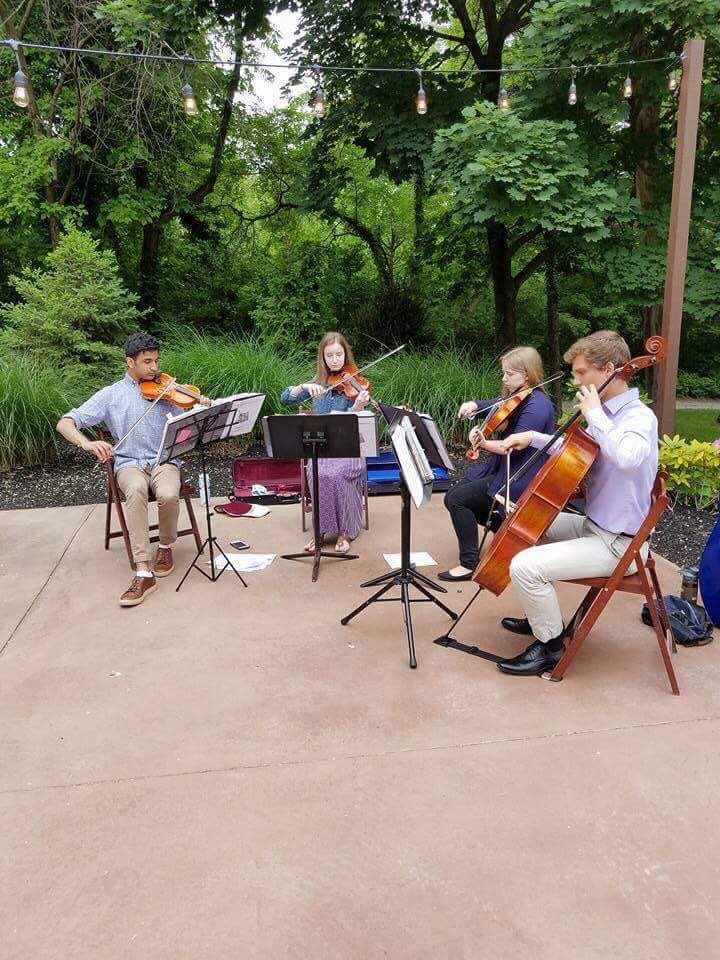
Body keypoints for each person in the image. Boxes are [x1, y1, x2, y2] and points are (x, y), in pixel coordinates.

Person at [494, 330, 658, 677]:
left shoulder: (638, 419)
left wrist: (596, 414)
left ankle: (550, 647)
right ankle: (544, 619)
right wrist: (532, 438)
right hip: (593, 526)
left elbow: (627, 457)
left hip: (619, 545)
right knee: (527, 521)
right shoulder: (607, 414)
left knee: (526, 565)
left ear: (610, 368)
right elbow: (578, 451)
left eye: (582, 372)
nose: (576, 379)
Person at [56, 332, 210, 607]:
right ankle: (143, 569)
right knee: (137, 490)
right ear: (130, 362)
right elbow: (66, 422)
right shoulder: (111, 394)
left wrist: (198, 407)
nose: (155, 368)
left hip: (164, 460)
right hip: (129, 463)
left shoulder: (167, 389)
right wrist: (88, 443)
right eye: (147, 362)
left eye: (157, 361)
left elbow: (189, 425)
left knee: (168, 494)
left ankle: (165, 547)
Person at [438, 346, 556, 581]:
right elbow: (497, 404)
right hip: (505, 467)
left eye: (509, 374)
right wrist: (474, 405)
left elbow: (509, 445)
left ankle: (470, 563)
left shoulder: (537, 406)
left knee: (456, 499)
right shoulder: (519, 396)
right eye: (504, 372)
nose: (504, 378)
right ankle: (508, 537)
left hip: (521, 475)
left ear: (527, 374)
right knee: (460, 494)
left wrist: (482, 443)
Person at [280, 332, 370, 554]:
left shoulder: (354, 383)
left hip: (350, 450)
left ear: (345, 355)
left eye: (339, 354)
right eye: (330, 355)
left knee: (337, 473)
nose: (335, 360)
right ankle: (319, 531)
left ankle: (345, 531)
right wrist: (303, 387)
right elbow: (285, 398)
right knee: (316, 471)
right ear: (323, 358)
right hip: (321, 450)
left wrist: (358, 405)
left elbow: (356, 421)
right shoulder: (318, 383)